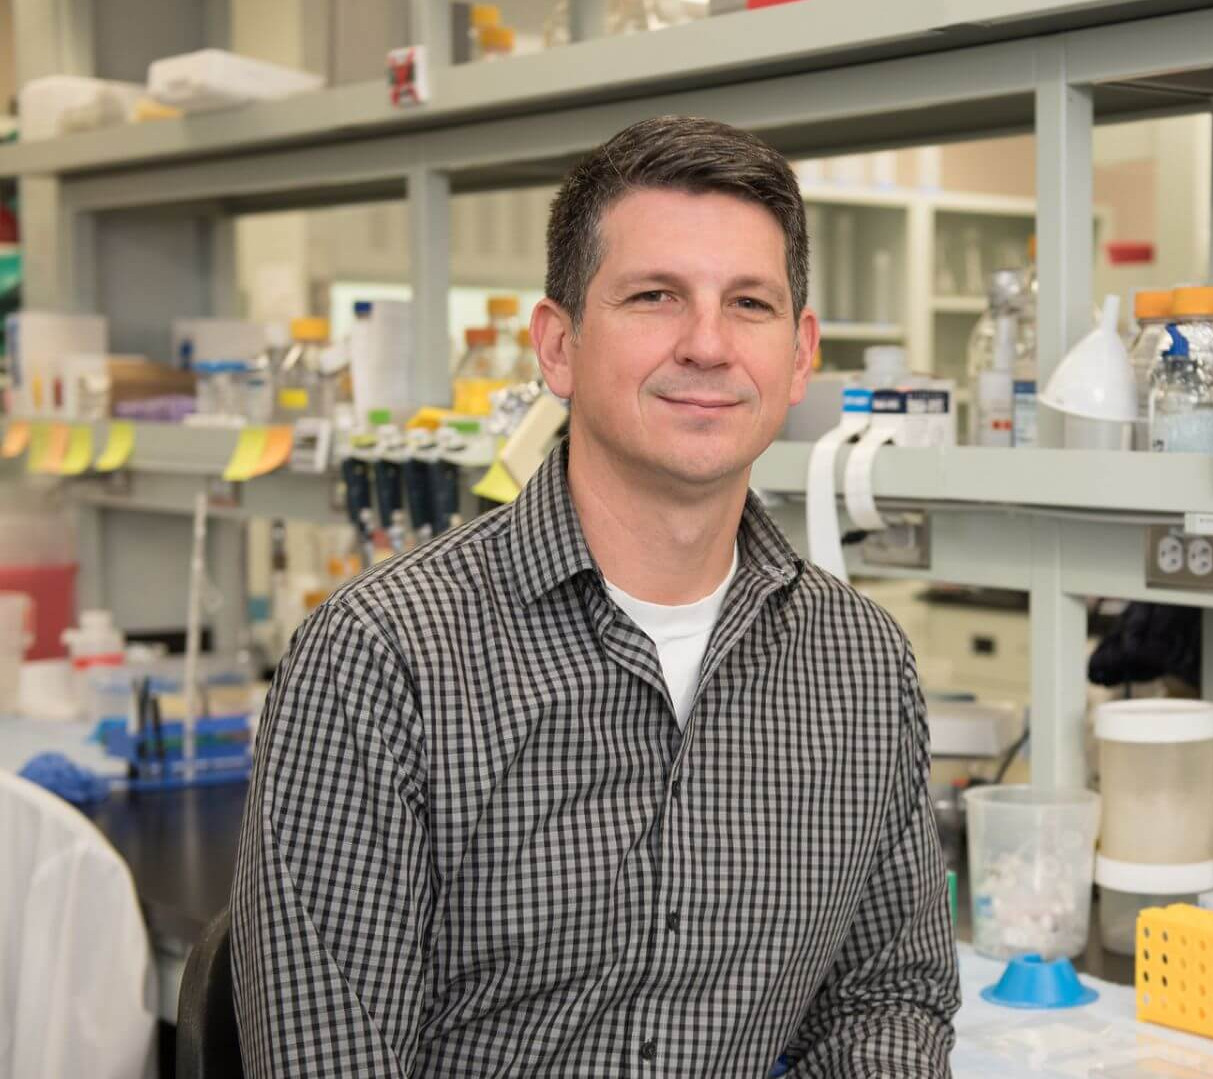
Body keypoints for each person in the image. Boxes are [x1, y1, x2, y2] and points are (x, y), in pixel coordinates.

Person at [232, 115, 959, 1076]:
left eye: (748, 303)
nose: (707, 344)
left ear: (798, 356)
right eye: (654, 296)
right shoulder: (382, 659)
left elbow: (890, 995)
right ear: (558, 345)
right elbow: (327, 1061)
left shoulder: (859, 660)